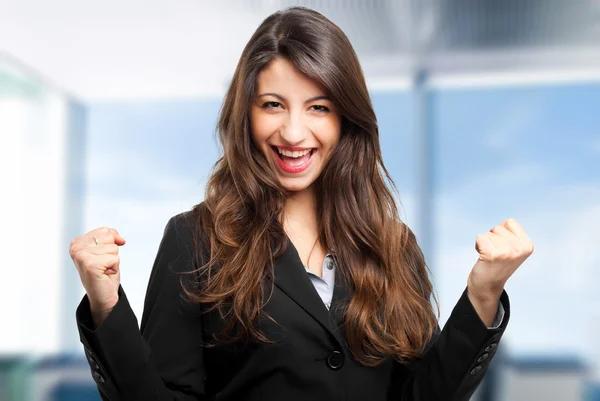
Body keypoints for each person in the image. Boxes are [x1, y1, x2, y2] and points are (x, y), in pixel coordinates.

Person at [69, 6, 534, 401]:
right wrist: (105, 305)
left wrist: (483, 293)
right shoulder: (194, 240)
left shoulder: (392, 244)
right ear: (245, 113)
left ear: (346, 120)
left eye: (318, 107)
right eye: (272, 104)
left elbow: (422, 394)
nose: (293, 133)